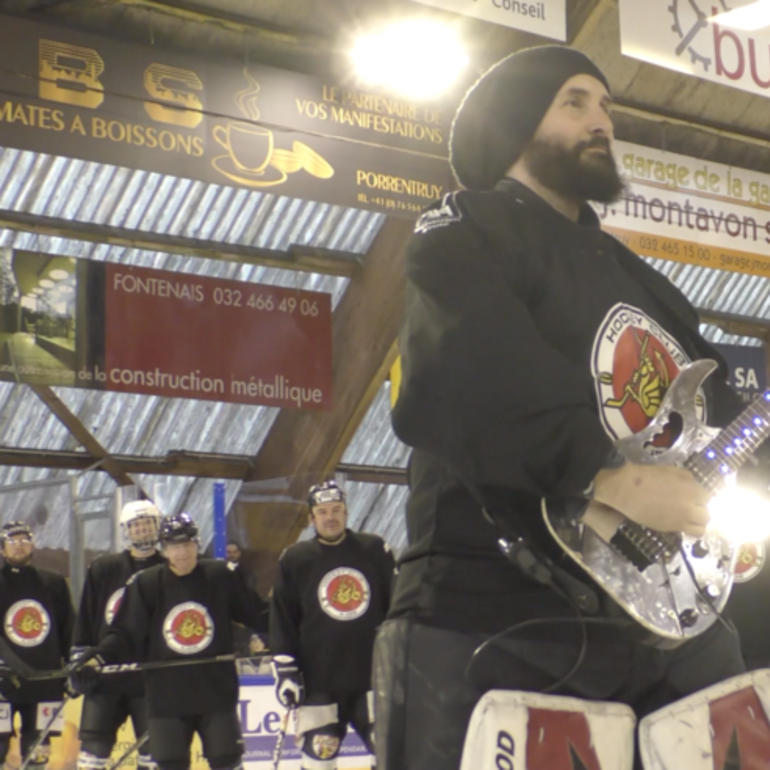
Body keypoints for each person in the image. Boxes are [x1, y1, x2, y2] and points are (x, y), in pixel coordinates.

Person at [373, 45, 766, 770]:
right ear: (517, 121)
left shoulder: (641, 278)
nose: (601, 122)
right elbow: (464, 363)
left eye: (608, 107)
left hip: (671, 615)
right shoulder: (465, 226)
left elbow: (716, 415)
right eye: (574, 102)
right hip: (497, 605)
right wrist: (604, 473)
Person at [69, 513, 269, 770]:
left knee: (227, 761)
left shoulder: (219, 575)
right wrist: (94, 659)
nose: (182, 553)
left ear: (197, 544)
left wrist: (290, 634)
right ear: (164, 550)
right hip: (166, 697)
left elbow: (258, 613)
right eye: (175, 546)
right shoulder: (147, 583)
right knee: (169, 764)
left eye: (187, 545)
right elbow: (124, 634)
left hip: (215, 692)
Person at [270, 480, 395, 770]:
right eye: (323, 511)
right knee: (319, 761)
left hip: (372, 679)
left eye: (337, 510)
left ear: (347, 512)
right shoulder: (295, 559)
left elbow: (397, 608)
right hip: (319, 683)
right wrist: (286, 670)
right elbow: (283, 618)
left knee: (390, 755)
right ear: (312, 517)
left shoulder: (374, 549)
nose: (330, 517)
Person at [71, 500, 165, 770]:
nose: (142, 530)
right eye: (136, 525)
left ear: (157, 525)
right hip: (106, 675)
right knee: (93, 752)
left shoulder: (169, 567)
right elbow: (88, 615)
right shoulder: (105, 568)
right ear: (126, 530)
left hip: (151, 678)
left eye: (147, 523)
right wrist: (80, 659)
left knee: (154, 752)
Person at [0, 521, 75, 770]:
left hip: (45, 683)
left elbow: (68, 629)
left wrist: (72, 668)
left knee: (39, 751)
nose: (19, 546)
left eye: (24, 540)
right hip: (3, 684)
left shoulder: (53, 582)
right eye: (12, 541)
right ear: (2, 549)